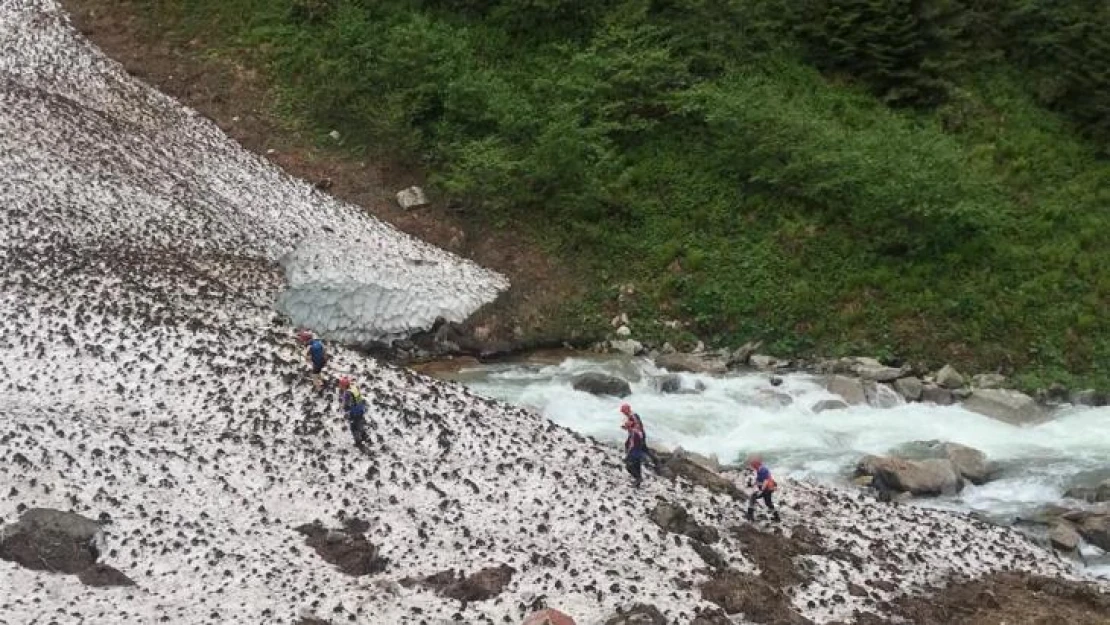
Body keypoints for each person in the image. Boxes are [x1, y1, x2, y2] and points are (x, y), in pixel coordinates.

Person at [619, 403, 661, 470]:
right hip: (636, 434)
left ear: (627, 410)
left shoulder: (633, 416)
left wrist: (627, 427)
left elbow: (637, 425)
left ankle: (655, 461)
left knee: (639, 447)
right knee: (639, 447)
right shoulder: (631, 416)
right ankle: (655, 460)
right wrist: (627, 426)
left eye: (624, 411)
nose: (623, 413)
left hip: (638, 435)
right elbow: (632, 424)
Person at [746, 457, 781, 522]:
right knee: (768, 503)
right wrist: (753, 484)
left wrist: (761, 491)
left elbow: (766, 480)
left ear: (755, 464)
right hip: (768, 489)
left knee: (752, 497)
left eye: (752, 465)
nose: (752, 467)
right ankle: (777, 518)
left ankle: (750, 515)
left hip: (767, 489)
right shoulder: (759, 470)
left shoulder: (763, 469)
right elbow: (759, 480)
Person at [338, 376, 368, 448]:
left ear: (344, 386)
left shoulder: (348, 394)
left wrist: (343, 408)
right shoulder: (354, 388)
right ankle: (365, 436)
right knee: (360, 423)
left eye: (341, 385)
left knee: (354, 427)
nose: (340, 386)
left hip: (354, 412)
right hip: (360, 409)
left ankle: (358, 443)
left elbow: (347, 406)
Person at [622, 416, 648, 488]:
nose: (626, 429)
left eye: (627, 427)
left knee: (629, 466)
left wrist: (628, 455)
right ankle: (638, 483)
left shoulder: (633, 433)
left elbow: (631, 445)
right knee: (637, 467)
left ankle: (638, 479)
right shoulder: (638, 431)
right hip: (639, 452)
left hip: (634, 453)